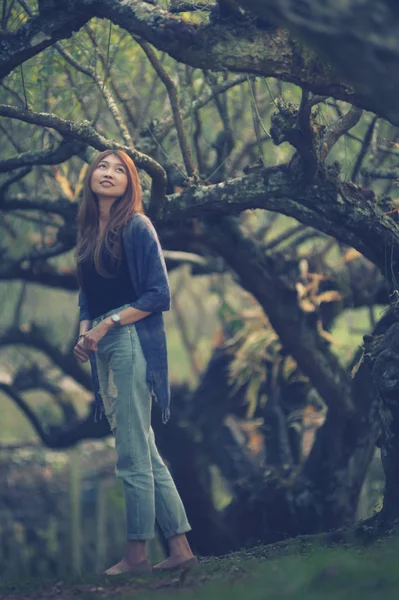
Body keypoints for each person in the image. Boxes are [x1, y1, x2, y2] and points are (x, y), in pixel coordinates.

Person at [74, 149, 197, 575]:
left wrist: (105, 326)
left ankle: (137, 555)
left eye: (118, 170)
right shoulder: (90, 231)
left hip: (130, 343)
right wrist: (85, 330)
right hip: (105, 343)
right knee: (145, 449)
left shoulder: (137, 226)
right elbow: (88, 292)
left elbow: (158, 295)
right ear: (90, 177)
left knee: (131, 455)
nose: (107, 173)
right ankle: (180, 549)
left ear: (131, 184)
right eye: (101, 166)